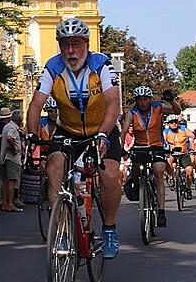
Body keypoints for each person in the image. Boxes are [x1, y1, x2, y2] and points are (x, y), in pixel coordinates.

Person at [25, 17, 123, 258]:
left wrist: (103, 134)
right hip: (68, 129)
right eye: (65, 44)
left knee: (109, 175)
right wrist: (32, 135)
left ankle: (109, 228)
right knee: (54, 166)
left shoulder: (102, 65)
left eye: (76, 44)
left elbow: (113, 102)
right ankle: (62, 229)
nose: (70, 50)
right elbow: (36, 105)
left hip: (102, 128)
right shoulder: (53, 67)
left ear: (86, 44)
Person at [120, 86, 175, 227]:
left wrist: (172, 101)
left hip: (157, 146)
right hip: (140, 146)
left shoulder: (158, 107)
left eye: (145, 99)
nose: (142, 102)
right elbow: (125, 130)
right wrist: (121, 148)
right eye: (139, 100)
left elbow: (177, 111)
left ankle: (161, 212)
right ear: (136, 101)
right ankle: (137, 186)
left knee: (158, 172)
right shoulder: (132, 113)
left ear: (150, 99)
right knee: (136, 167)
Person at [164, 114, 195, 200]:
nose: (174, 124)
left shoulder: (183, 129)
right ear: (168, 124)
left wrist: (192, 148)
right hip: (172, 153)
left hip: (183, 153)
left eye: (175, 122)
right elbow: (162, 141)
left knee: (189, 170)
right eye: (171, 122)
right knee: (168, 161)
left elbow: (192, 136)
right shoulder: (166, 131)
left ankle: (188, 188)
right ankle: (172, 178)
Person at [0, 109, 23, 213]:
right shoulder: (13, 128)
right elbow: (10, 138)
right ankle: (10, 204)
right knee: (12, 181)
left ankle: (4, 203)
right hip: (12, 158)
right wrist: (14, 148)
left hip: (4, 157)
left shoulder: (7, 126)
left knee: (5, 181)